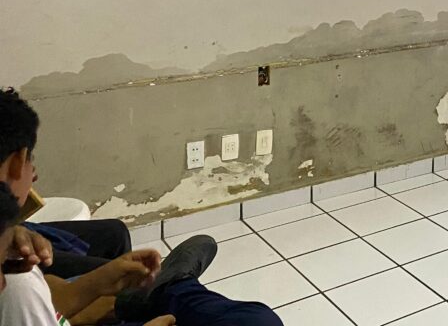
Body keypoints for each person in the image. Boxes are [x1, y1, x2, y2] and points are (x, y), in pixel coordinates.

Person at [0, 88, 282, 325]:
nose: (34, 175)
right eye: (30, 160)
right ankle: (170, 288)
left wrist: (98, 282)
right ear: (17, 161)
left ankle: (159, 292)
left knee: (115, 235)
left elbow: (51, 302)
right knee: (258, 321)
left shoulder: (18, 273)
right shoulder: (18, 287)